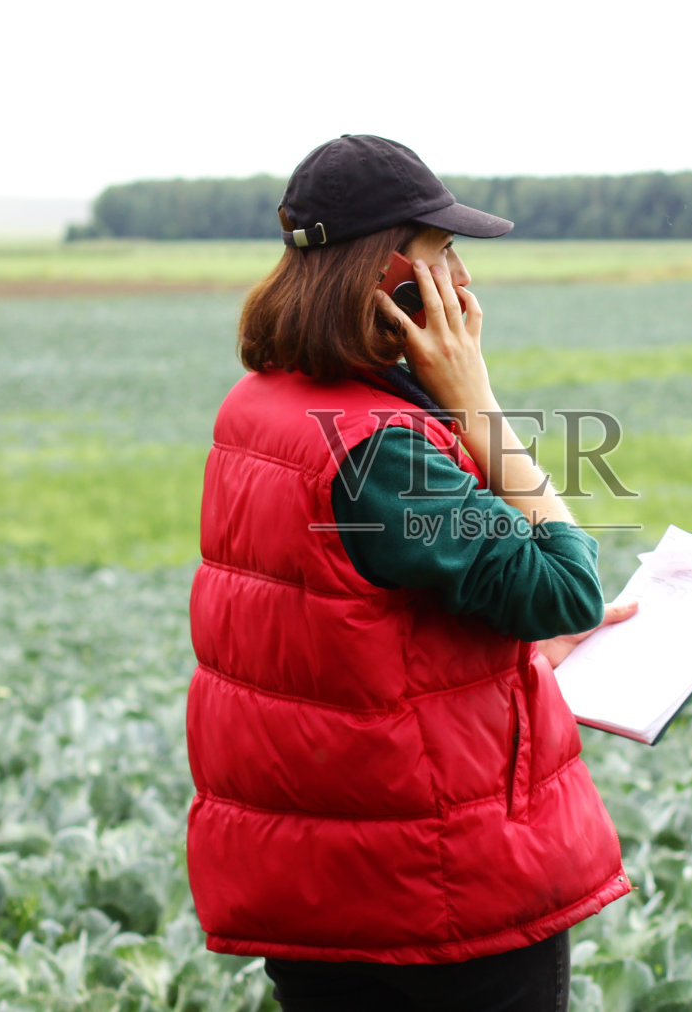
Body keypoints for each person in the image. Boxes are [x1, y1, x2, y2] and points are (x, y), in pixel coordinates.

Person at [185, 135, 635, 1012]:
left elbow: (351, 638)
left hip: (329, 892)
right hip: (433, 909)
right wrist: (479, 407)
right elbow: (567, 584)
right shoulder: (380, 450)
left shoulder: (260, 407)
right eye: (445, 256)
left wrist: (522, 660)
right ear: (393, 279)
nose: (465, 284)